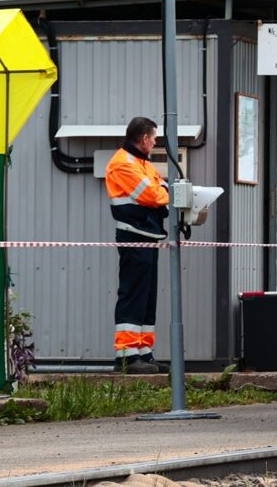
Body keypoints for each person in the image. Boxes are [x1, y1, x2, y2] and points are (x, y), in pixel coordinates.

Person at [105, 116, 170, 374]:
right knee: (133, 294)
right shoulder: (123, 163)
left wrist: (164, 194)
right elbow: (155, 195)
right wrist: (164, 195)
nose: (154, 143)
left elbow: (163, 187)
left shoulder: (142, 163)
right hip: (134, 235)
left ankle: (144, 352)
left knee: (147, 296)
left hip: (148, 236)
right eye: (154, 138)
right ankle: (127, 356)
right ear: (144, 138)